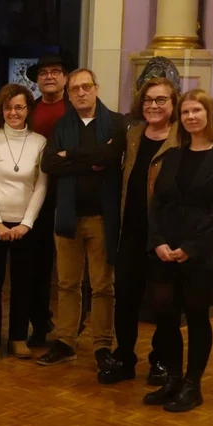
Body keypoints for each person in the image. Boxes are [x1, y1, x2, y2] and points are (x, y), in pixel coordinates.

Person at [143, 89, 213, 412]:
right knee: (164, 316)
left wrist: (190, 248)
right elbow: (157, 203)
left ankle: (192, 385)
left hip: (200, 252)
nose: (191, 117)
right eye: (185, 112)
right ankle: (172, 378)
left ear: (208, 114)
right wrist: (158, 241)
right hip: (164, 250)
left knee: (196, 318)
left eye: (197, 110)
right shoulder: (173, 156)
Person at [38, 68, 126, 373]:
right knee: (67, 283)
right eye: (75, 89)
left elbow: (110, 156)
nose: (81, 93)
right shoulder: (62, 125)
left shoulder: (116, 122)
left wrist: (71, 155)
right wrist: (90, 159)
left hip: (102, 217)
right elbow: (49, 163)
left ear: (96, 88)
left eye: (86, 87)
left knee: (102, 286)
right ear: (69, 93)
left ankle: (102, 345)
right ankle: (65, 341)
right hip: (67, 216)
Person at [98, 77, 180, 385]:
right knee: (125, 298)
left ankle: (160, 360)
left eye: (161, 100)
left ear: (173, 104)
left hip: (164, 235)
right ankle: (124, 357)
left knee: (163, 303)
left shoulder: (181, 138)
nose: (153, 105)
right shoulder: (132, 134)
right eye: (148, 100)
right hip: (130, 232)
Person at [0, 84, 48, 363]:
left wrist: (26, 223)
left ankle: (18, 338)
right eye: (8, 107)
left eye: (19, 107)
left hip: (25, 225)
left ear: (28, 110)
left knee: (23, 283)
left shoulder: (39, 142)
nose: (13, 112)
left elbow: (41, 186)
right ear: (1, 110)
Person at [24, 52, 72, 346]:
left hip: (69, 194)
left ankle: (71, 326)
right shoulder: (29, 110)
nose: (49, 77)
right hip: (35, 195)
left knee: (69, 266)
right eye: (44, 73)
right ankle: (39, 321)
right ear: (37, 81)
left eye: (55, 71)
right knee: (38, 264)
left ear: (65, 78)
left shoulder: (75, 109)